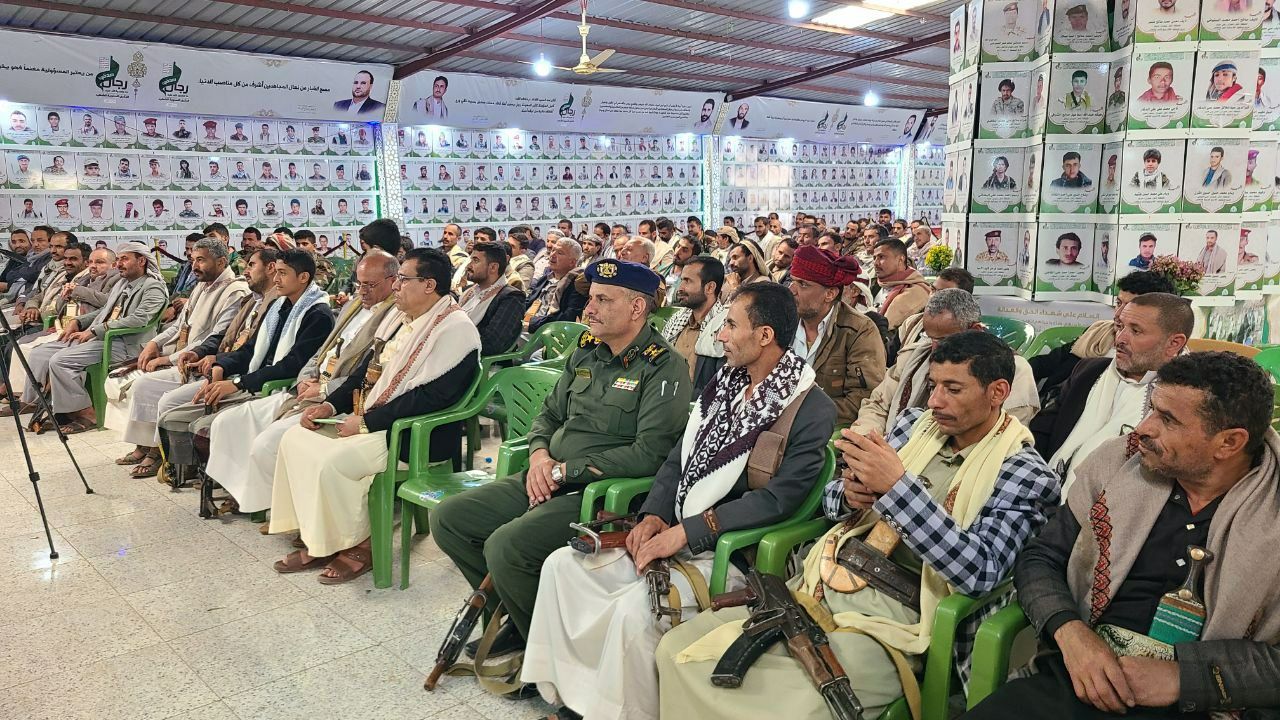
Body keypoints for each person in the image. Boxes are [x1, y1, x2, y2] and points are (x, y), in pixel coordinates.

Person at [657, 331, 1061, 719]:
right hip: (819, 581)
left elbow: (982, 572)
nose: (935, 401)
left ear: (998, 392)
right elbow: (830, 501)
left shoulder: (1025, 474)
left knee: (787, 707)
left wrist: (897, 489)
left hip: (899, 618)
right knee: (677, 648)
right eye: (933, 385)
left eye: (953, 389)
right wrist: (851, 495)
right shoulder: (914, 427)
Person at [524, 282, 837, 720]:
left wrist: (688, 532)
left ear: (765, 336)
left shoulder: (809, 407)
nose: (720, 336)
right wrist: (654, 514)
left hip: (734, 551)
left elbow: (778, 500)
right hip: (679, 527)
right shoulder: (726, 382)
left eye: (731, 325)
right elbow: (679, 458)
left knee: (635, 613)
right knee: (563, 567)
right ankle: (573, 696)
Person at [964, 352, 1280, 719]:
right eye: (1151, 408)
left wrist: (1185, 678)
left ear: (1229, 443)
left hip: (1214, 703)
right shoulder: (1117, 464)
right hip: (1083, 680)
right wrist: (1071, 633)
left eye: (1168, 419)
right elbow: (1040, 559)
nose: (1143, 428)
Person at [430, 259, 692, 656]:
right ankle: (519, 618)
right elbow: (549, 416)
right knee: (450, 518)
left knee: (506, 546)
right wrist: (539, 457)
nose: (589, 309)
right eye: (591, 299)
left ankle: (548, 654)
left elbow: (651, 454)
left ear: (637, 307)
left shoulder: (663, 366)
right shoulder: (586, 352)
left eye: (603, 300)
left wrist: (563, 471)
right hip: (548, 475)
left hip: (599, 494)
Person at [269, 248, 480, 583]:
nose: (395, 286)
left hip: (412, 433)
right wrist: (330, 406)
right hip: (374, 416)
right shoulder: (399, 318)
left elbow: (432, 398)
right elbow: (364, 374)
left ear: (429, 285)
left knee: (334, 461)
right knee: (295, 438)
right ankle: (320, 538)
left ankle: (362, 545)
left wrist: (367, 423)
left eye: (403, 279)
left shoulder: (456, 329)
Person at [202, 251, 400, 513]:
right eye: (359, 283)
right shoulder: (352, 306)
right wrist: (306, 377)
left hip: (339, 398)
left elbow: (367, 372)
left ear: (393, 281)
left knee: (268, 443)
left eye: (369, 285)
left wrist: (325, 388)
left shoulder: (392, 316)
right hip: (306, 387)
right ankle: (242, 492)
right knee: (228, 422)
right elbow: (321, 352)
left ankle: (274, 507)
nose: (361, 291)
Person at [156, 249, 334, 472]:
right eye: (276, 272)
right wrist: (221, 365)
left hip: (274, 388)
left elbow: (291, 366)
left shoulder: (318, 315)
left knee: (205, 425)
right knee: (172, 417)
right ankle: (190, 472)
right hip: (250, 380)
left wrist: (238, 384)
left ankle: (217, 478)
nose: (276, 279)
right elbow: (249, 350)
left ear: (303, 277)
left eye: (282, 273)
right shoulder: (277, 306)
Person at [104, 238, 251, 477]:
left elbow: (215, 338)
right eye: (193, 260)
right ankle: (144, 446)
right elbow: (180, 325)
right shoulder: (202, 285)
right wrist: (154, 343)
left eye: (201, 260)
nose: (194, 266)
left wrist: (168, 359)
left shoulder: (234, 291)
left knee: (145, 384)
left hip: (199, 361)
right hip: (181, 354)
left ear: (221, 262)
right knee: (137, 381)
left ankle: (157, 452)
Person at [1034, 292, 1191, 492]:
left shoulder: (1182, 401)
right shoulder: (1089, 371)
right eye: (1120, 327)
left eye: (1136, 331)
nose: (1120, 339)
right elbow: (1042, 431)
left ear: (1174, 343)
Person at [20, 242, 168, 433]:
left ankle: (86, 414)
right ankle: (41, 404)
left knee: (61, 361)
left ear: (141, 261)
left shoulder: (153, 287)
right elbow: (106, 311)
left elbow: (139, 319)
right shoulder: (123, 283)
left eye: (124, 259)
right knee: (41, 352)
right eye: (118, 259)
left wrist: (96, 330)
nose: (119, 264)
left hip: (125, 343)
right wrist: (79, 322)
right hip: (104, 338)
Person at [854, 289, 1040, 435]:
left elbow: (1005, 434)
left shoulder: (1014, 371)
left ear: (975, 329)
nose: (935, 348)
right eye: (930, 337)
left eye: (944, 339)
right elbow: (877, 405)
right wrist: (867, 440)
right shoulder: (915, 355)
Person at [789, 246, 887, 425]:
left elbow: (862, 400)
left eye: (803, 284)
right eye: (792, 280)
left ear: (830, 294)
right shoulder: (783, 321)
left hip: (827, 428)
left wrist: (797, 414)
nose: (792, 290)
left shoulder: (859, 331)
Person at [661, 256, 728, 392]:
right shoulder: (677, 319)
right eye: (681, 280)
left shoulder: (724, 328)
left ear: (710, 287)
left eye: (687, 281)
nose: (680, 288)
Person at [459, 241, 525, 356]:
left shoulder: (511, 298)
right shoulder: (469, 292)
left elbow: (492, 344)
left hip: (479, 362)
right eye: (470, 260)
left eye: (475, 260)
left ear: (493, 267)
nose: (468, 266)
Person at [525, 237, 588, 332]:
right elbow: (529, 301)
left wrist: (532, 324)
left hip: (548, 332)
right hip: (526, 323)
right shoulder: (545, 279)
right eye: (553, 250)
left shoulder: (577, 284)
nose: (553, 255)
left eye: (560, 253)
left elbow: (567, 318)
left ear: (572, 262)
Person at [873, 239, 933, 331]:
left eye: (881, 257)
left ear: (901, 259)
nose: (875, 263)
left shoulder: (917, 292)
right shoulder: (874, 285)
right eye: (874, 258)